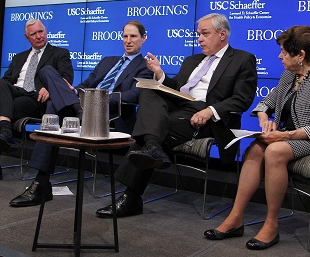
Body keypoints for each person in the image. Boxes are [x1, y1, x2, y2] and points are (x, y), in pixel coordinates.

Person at [95, 13, 258, 218]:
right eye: (198, 34)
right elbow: (177, 90)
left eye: (205, 34)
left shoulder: (243, 59)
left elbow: (242, 99)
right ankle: (152, 149)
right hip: (181, 108)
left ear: (222, 34)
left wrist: (209, 111)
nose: (199, 38)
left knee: (152, 130)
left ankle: (132, 195)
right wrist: (160, 74)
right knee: (148, 90)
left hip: (209, 117)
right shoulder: (192, 60)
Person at [203, 25, 310, 250]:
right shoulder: (289, 75)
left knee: (274, 150)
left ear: (300, 55)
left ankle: (271, 225)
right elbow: (265, 104)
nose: (279, 56)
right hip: (292, 138)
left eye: (284, 52)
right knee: (254, 148)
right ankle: (235, 218)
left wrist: (286, 135)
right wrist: (264, 120)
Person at [8, 20, 153, 207]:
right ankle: (77, 111)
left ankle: (40, 183)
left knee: (54, 105)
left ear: (143, 38)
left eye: (133, 36)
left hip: (108, 114)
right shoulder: (108, 60)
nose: (128, 40)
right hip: (82, 105)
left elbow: (134, 95)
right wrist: (72, 91)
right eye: (125, 36)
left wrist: (98, 98)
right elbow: (86, 84)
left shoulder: (145, 67)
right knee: (47, 71)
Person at [0, 18, 75, 184]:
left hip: (36, 98)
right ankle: (5, 133)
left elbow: (66, 79)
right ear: (27, 37)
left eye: (41, 32)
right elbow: (6, 81)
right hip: (16, 93)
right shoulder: (19, 57)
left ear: (46, 32)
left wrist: (50, 88)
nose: (39, 36)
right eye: (34, 34)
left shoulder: (60, 53)